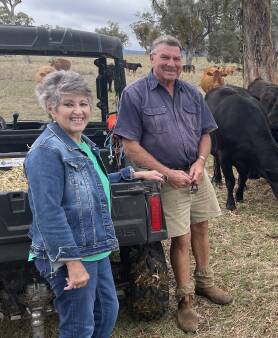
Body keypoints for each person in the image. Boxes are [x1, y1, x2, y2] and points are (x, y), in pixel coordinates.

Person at [25, 70, 164, 338]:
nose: (78, 111)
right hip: (72, 253)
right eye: (68, 104)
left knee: (107, 313)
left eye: (82, 103)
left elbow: (89, 184)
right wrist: (72, 262)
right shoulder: (46, 152)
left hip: (95, 247)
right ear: (51, 109)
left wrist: (131, 174)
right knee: (79, 327)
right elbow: (48, 212)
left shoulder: (82, 142)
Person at [114, 35, 232, 333]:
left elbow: (206, 134)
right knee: (179, 239)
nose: (171, 64)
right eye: (164, 57)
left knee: (202, 226)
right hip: (166, 179)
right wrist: (167, 172)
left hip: (195, 174)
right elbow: (130, 146)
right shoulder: (135, 94)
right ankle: (185, 301)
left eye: (176, 59)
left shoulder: (192, 93)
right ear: (151, 58)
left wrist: (200, 162)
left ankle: (205, 282)